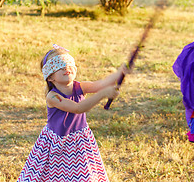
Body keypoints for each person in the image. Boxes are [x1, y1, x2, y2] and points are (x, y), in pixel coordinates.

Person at [17, 44, 127, 182]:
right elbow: (78, 108)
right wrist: (103, 94)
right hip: (57, 144)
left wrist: (120, 73)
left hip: (79, 140)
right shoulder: (53, 97)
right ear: (50, 77)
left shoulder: (79, 86)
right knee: (55, 176)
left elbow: (101, 84)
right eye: (60, 67)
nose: (67, 69)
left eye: (69, 65)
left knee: (83, 174)